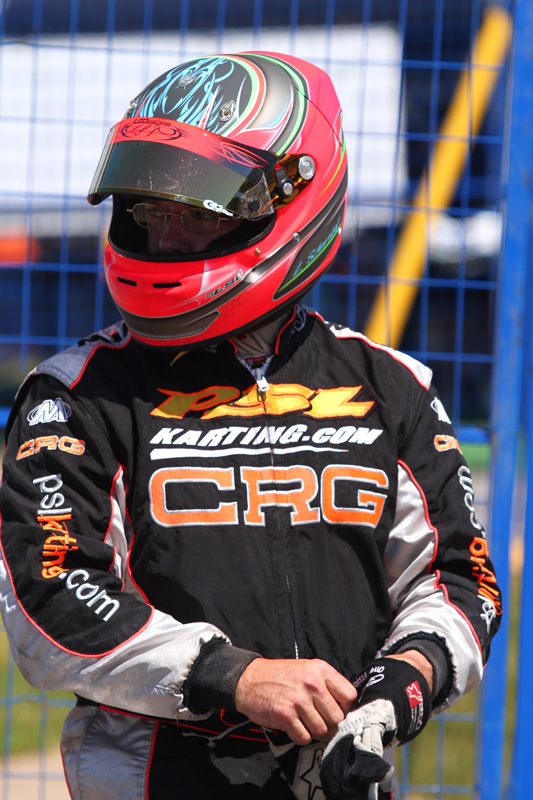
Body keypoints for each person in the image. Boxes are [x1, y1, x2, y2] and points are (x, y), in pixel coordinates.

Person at [0, 51, 501, 800]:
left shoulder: (391, 386)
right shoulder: (75, 396)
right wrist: (234, 676)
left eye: (197, 214)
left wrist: (398, 690)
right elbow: (52, 596)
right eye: (151, 212)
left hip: (344, 775)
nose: (167, 240)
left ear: (293, 200)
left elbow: (458, 577)